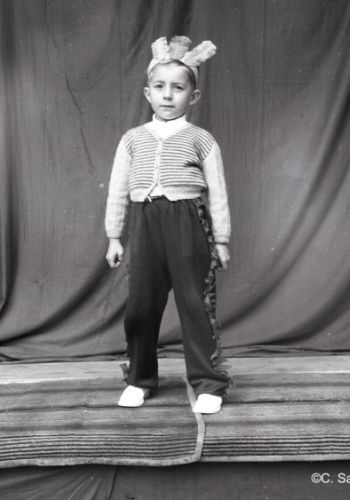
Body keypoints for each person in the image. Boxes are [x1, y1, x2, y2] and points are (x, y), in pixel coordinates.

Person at [105, 36, 231, 414]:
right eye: (159, 87)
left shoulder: (201, 140)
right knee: (141, 306)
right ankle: (139, 379)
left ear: (193, 96)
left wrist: (221, 240)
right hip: (146, 225)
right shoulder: (132, 140)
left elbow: (218, 192)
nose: (167, 95)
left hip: (188, 222)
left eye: (178, 88)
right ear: (148, 93)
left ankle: (209, 383)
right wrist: (114, 236)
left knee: (195, 303)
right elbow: (118, 189)